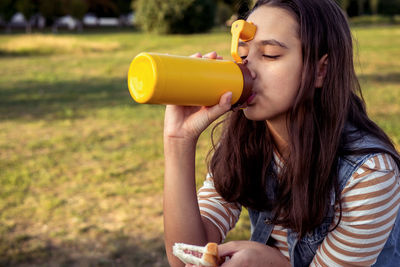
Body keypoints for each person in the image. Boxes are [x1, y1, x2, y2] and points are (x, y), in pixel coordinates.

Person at [163, 0, 400, 266]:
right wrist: (178, 142)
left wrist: (275, 264)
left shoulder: (370, 174)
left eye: (270, 54)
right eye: (242, 53)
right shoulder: (243, 142)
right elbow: (185, 257)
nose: (245, 68)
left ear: (321, 70)